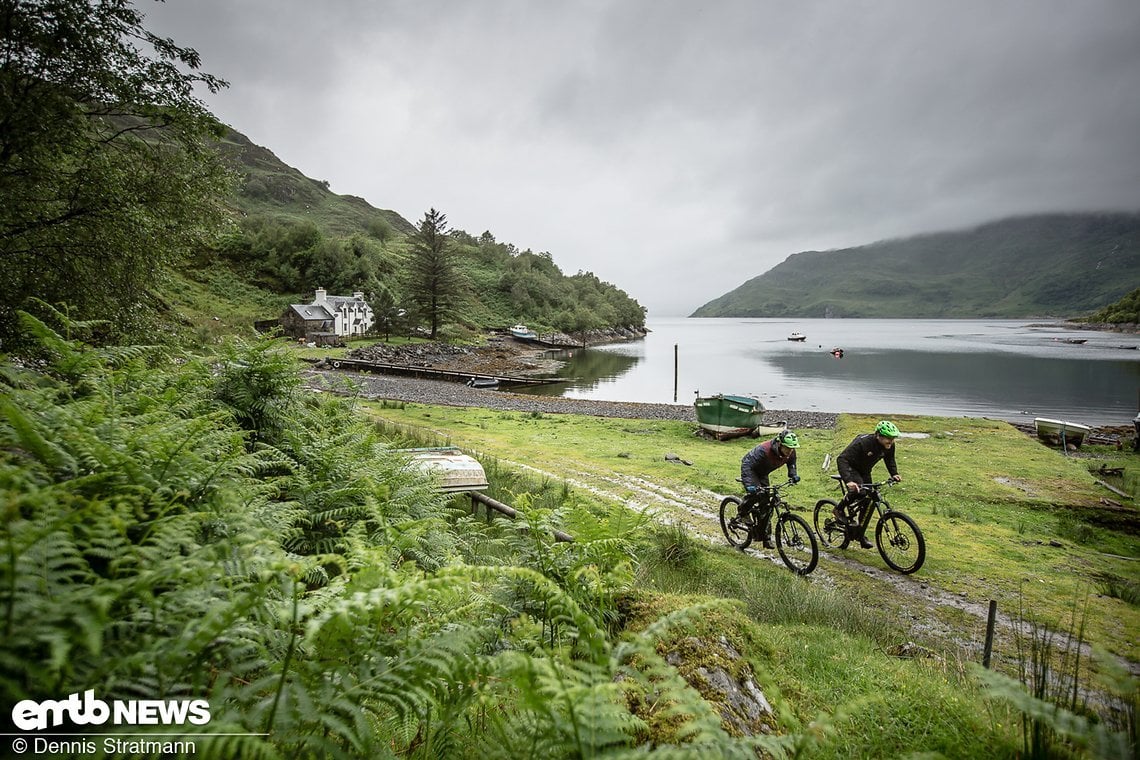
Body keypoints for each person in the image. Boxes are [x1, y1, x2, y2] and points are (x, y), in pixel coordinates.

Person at [834, 420, 902, 548]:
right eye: (888, 438)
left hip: (865, 471)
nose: (891, 441)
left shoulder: (890, 445)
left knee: (869, 498)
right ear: (878, 436)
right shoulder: (863, 442)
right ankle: (838, 509)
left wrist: (894, 473)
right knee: (860, 491)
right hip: (851, 467)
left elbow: (890, 459)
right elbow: (842, 459)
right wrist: (848, 480)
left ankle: (860, 533)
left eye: (893, 438)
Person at [738, 430, 801, 549]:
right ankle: (742, 512)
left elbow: (792, 463)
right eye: (787, 448)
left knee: (767, 506)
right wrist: (750, 485)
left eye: (792, 448)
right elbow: (747, 465)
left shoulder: (791, 452)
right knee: (756, 494)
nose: (789, 451)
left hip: (763, 473)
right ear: (779, 444)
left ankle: (765, 537)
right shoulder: (764, 450)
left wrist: (793, 475)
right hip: (751, 470)